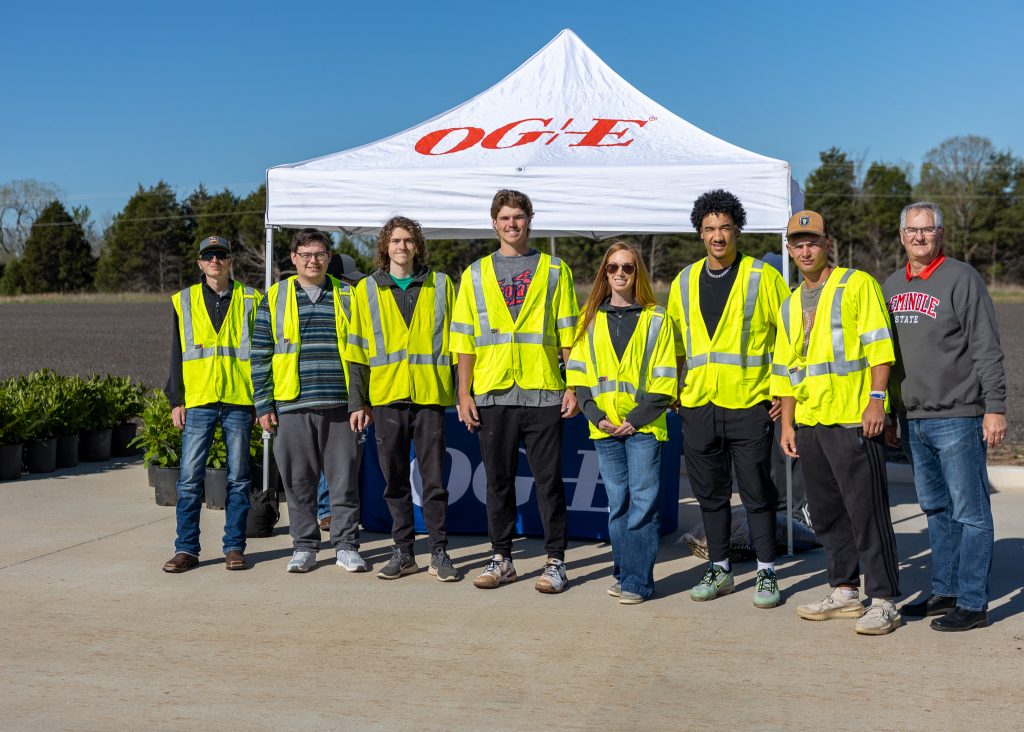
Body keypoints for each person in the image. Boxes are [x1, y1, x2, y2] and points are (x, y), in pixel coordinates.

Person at [773, 210, 902, 635]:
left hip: (852, 418)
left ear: (827, 244)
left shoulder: (856, 284)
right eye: (797, 243)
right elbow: (787, 368)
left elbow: (879, 348)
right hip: (811, 420)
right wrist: (788, 424)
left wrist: (877, 401)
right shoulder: (791, 303)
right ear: (789, 250)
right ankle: (845, 589)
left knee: (866, 512)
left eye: (813, 241)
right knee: (826, 513)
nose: (805, 249)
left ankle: (883, 599)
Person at [884, 202, 1007, 632]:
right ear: (901, 236)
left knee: (970, 512)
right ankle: (946, 590)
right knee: (936, 509)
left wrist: (994, 407)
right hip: (913, 418)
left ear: (940, 234)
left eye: (928, 229)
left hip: (958, 415)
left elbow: (986, 347)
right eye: (912, 230)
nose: (920, 237)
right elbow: (885, 358)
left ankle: (973, 602)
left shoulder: (961, 278)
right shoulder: (892, 286)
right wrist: (892, 414)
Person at [450, 189, 580, 593]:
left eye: (518, 217)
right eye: (504, 218)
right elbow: (463, 340)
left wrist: (573, 384)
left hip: (543, 389)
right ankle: (501, 558)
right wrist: (464, 394)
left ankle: (556, 561)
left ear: (529, 220)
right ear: (494, 223)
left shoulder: (556, 270)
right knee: (498, 482)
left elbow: (569, 334)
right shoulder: (474, 274)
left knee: (548, 482)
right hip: (492, 392)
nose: (512, 224)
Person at [666, 189, 790, 608]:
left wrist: (782, 390)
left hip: (749, 403)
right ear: (699, 234)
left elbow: (788, 338)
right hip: (698, 405)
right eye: (709, 229)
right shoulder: (683, 281)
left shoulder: (763, 277)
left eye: (724, 227)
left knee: (757, 492)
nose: (717, 236)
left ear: (737, 229)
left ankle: (767, 572)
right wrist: (676, 390)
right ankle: (720, 568)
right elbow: (676, 346)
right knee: (710, 495)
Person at [250, 229, 371, 573]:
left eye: (319, 254)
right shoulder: (274, 297)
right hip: (292, 405)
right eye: (305, 254)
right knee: (298, 482)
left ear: (329, 258)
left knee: (344, 480)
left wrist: (361, 401)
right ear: (293, 258)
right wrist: (263, 405)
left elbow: (364, 352)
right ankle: (304, 546)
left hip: (341, 406)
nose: (312, 261)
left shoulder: (350, 295)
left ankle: (346, 545)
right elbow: (259, 355)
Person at [346, 216, 459, 582]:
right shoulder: (365, 290)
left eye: (409, 240)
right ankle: (403, 550)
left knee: (434, 480)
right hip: (386, 397)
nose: (402, 247)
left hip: (429, 396)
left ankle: (439, 552)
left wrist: (462, 393)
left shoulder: (441, 285)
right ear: (385, 246)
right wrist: (357, 402)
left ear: (417, 246)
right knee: (394, 479)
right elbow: (357, 352)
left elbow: (458, 346)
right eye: (395, 241)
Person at [566, 241, 676, 604]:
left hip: (644, 427)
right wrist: (597, 416)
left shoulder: (657, 319)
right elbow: (578, 376)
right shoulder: (589, 318)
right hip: (604, 428)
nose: (619, 274)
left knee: (642, 504)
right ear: (604, 273)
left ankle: (637, 582)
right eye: (612, 268)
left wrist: (633, 420)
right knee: (619, 505)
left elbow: (666, 380)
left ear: (637, 272)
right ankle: (624, 570)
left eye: (627, 267)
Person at [162, 235, 261, 573]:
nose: (215, 261)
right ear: (200, 263)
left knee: (239, 478)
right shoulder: (183, 301)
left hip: (238, 399)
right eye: (209, 256)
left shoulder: (252, 299)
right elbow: (176, 353)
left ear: (230, 260)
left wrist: (261, 400)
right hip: (200, 399)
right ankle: (186, 550)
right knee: (189, 479)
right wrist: (177, 399)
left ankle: (234, 548)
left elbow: (261, 353)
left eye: (221, 255)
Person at [316, 253, 366, 533]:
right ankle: (326, 510)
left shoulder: (349, 302)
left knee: (347, 457)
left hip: (351, 387)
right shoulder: (331, 300)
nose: (352, 285)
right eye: (348, 279)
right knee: (330, 456)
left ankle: (342, 510)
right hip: (330, 387)